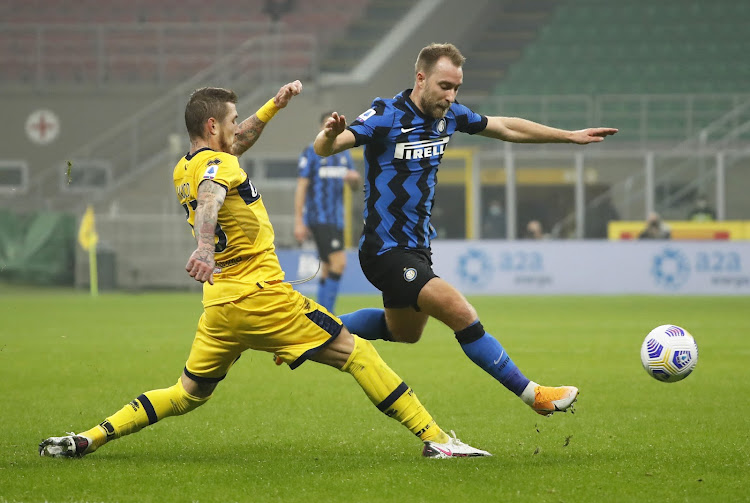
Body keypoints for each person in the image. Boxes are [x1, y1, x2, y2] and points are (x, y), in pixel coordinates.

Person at [39, 82, 489, 460]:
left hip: (220, 306)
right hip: (261, 297)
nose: (238, 128)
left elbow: (230, 153)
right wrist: (203, 249)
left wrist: (274, 105)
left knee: (186, 394)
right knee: (359, 355)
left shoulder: (185, 167)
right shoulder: (219, 168)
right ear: (213, 126)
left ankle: (88, 438)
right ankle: (437, 440)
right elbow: (215, 191)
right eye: (232, 121)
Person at [315, 43, 618, 416]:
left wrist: (568, 135)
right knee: (460, 312)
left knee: (404, 332)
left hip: (417, 247)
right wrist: (330, 134)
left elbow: (505, 126)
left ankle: (303, 327)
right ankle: (533, 394)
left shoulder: (450, 116)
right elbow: (325, 148)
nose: (451, 96)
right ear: (421, 78)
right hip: (384, 250)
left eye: (456, 88)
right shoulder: (385, 115)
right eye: (444, 86)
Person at [294, 111, 361, 313]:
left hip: (336, 219)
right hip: (319, 218)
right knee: (339, 263)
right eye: (327, 124)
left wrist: (354, 179)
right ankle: (327, 316)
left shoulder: (344, 154)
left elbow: (355, 186)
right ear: (321, 128)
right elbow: (302, 186)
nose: (331, 128)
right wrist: (299, 221)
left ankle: (321, 316)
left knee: (327, 268)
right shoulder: (311, 152)